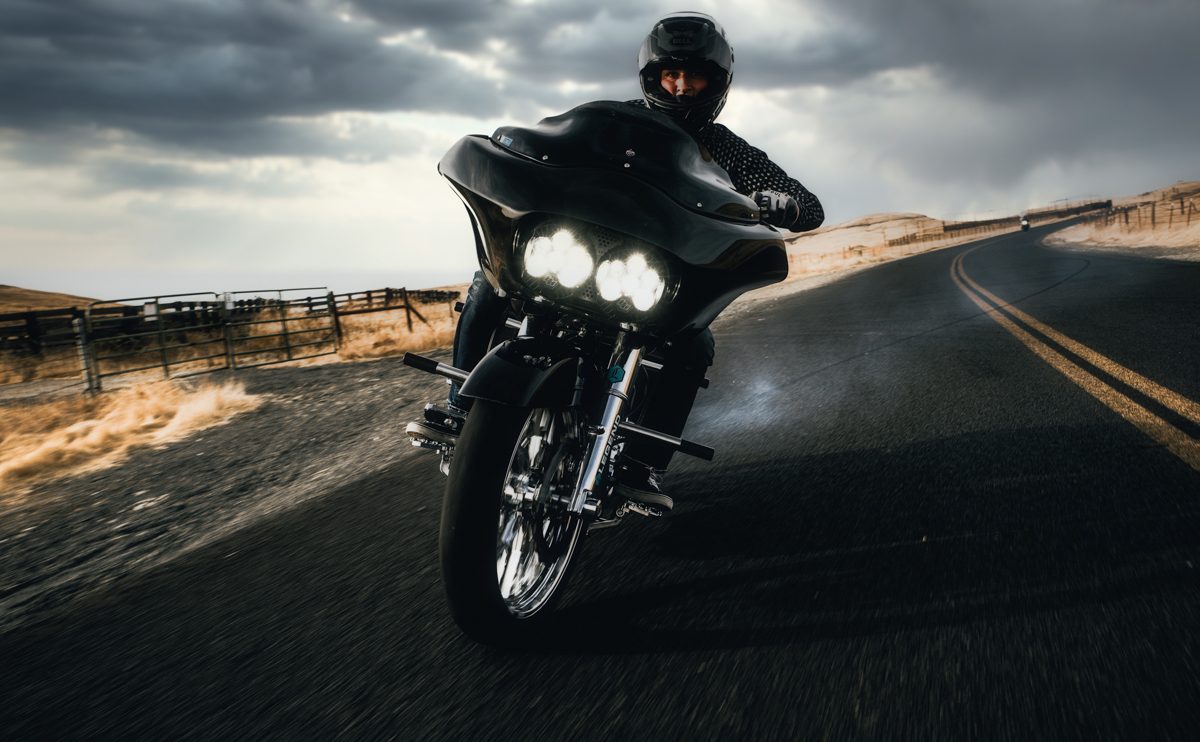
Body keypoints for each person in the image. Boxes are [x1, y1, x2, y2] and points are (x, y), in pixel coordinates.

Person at [409, 11, 823, 511]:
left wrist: (786, 203)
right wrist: (512, 143)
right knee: (488, 287)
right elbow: (548, 143)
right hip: (573, 255)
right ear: (651, 78)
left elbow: (809, 204)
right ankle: (460, 408)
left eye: (695, 77)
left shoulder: (727, 150)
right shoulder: (606, 121)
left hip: (649, 277)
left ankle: (641, 464)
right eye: (670, 75)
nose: (682, 88)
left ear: (717, 83)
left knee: (692, 348)